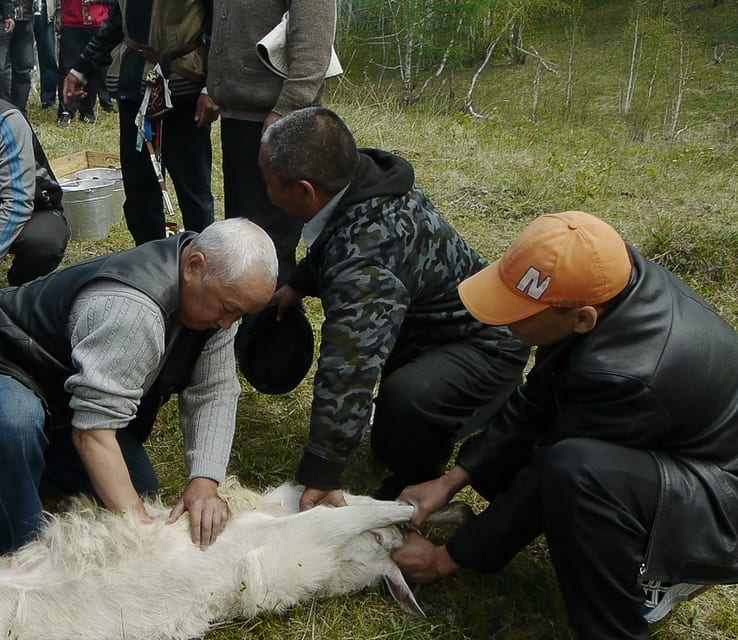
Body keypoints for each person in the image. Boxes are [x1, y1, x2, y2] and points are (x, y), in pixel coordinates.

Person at [391, 211, 738, 640]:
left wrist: (444, 559)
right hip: (686, 453)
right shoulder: (603, 283)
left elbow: (547, 476)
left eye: (519, 313)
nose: (502, 320)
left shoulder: (630, 373)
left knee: (577, 472)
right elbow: (538, 399)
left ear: (583, 318)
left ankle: (650, 591)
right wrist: (450, 482)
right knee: (528, 466)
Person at [259, 106, 530, 508]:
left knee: (406, 405)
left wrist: (322, 472)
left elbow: (349, 368)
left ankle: (417, 476)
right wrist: (298, 284)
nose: (264, 189)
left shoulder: (364, 262)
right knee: (391, 426)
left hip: (487, 344)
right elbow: (338, 236)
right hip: (433, 329)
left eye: (268, 183)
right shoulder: (364, 180)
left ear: (305, 191)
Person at [0, 217, 278, 554]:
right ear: (194, 266)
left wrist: (205, 480)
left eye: (239, 316)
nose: (227, 324)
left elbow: (213, 391)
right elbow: (93, 434)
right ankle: (20, 552)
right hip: (10, 364)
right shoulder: (133, 311)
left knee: (141, 488)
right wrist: (141, 531)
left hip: (61, 395)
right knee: (14, 422)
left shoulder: (216, 299)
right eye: (228, 309)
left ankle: (30, 460)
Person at [200, 0, 338, 287]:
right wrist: (211, 86)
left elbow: (313, 41)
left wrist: (287, 109)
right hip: (240, 118)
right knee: (245, 239)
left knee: (270, 247)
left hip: (280, 122)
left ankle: (273, 314)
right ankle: (248, 311)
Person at [62, 0, 215, 245]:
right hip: (134, 87)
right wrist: (81, 69)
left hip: (184, 89)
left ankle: (203, 258)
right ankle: (147, 259)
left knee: (194, 190)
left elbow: (219, 27)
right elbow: (115, 23)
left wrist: (212, 87)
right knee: (139, 190)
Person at [0, 97, 69, 285]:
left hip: (31, 207)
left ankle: (19, 287)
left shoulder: (7, 121)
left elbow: (17, 204)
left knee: (42, 243)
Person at [55, 0, 112, 126]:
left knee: (93, 68)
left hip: (97, 19)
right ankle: (66, 110)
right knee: (67, 67)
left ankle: (87, 110)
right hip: (72, 20)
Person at [0, 0, 34, 113]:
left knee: (24, 68)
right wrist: (8, 13)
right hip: (3, 17)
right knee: (2, 70)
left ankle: (19, 113)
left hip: (25, 16)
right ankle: (4, 111)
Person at [32, 0, 58, 109]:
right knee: (18, 57)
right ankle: (15, 100)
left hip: (44, 9)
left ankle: (48, 100)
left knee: (48, 55)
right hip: (20, 11)